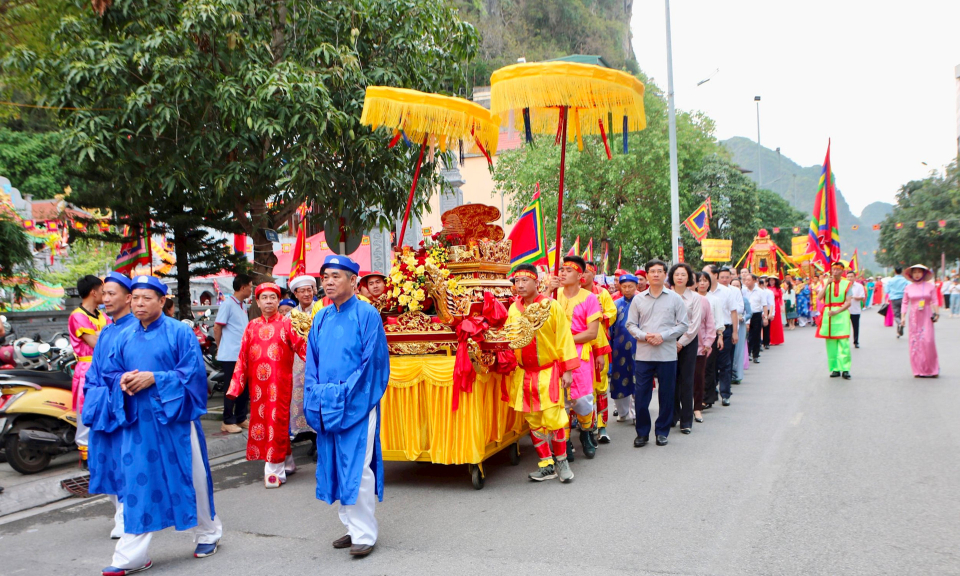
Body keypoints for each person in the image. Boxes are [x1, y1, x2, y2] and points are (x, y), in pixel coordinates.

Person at [101, 275, 222, 576]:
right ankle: (131, 556)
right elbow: (109, 371)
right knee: (138, 483)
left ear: (162, 301)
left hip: (175, 420)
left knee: (192, 477)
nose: (139, 303)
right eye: (136, 298)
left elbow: (193, 374)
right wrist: (122, 380)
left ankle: (208, 532)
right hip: (138, 422)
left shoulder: (179, 333)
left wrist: (156, 378)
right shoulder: (124, 335)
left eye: (147, 298)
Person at [304, 255, 389, 558]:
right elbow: (311, 362)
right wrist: (316, 395)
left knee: (357, 467)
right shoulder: (321, 317)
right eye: (325, 276)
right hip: (328, 405)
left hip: (357, 405)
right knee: (337, 465)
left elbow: (372, 364)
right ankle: (352, 526)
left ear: (353, 281)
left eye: (336, 276)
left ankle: (365, 533)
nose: (328, 281)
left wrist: (343, 395)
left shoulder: (367, 315)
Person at [227, 283, 307, 488]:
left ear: (279, 300)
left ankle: (274, 471)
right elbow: (242, 357)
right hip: (258, 386)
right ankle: (287, 461)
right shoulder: (251, 326)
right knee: (263, 422)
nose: (269, 301)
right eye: (264, 297)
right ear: (257, 301)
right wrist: (235, 386)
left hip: (280, 384)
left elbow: (303, 348)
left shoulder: (287, 324)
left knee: (276, 421)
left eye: (273, 297)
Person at [506, 264, 579, 483]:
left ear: (536, 282)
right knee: (534, 420)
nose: (520, 285)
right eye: (516, 281)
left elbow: (564, 337)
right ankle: (545, 464)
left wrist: (567, 370)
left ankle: (562, 461)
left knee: (555, 419)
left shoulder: (551, 305)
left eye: (524, 280)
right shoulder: (513, 309)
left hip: (548, 372)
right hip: (524, 375)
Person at [83, 272, 135, 540]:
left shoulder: (136, 329)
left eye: (111, 293)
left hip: (123, 405)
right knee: (104, 460)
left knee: (125, 459)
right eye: (104, 294)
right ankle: (118, 509)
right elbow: (94, 370)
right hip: (102, 404)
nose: (106, 299)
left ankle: (127, 513)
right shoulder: (106, 332)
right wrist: (92, 393)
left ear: (128, 297)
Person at [626, 259, 688, 447]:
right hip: (644, 354)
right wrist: (645, 336)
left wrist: (663, 335)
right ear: (646, 275)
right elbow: (630, 324)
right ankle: (642, 433)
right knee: (642, 395)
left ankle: (662, 431)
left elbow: (684, 324)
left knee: (666, 394)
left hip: (667, 354)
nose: (655, 274)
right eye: (652, 271)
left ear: (664, 275)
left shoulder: (675, 298)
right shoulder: (638, 299)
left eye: (659, 271)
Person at [552, 256, 603, 459]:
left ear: (580, 275)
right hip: (556, 356)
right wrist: (547, 291)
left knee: (582, 400)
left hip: (580, 356)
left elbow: (592, 333)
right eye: (561, 269)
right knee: (560, 401)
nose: (563, 273)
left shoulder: (589, 298)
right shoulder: (554, 297)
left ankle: (586, 431)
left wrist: (566, 339)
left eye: (568, 270)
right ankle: (564, 442)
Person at [69, 274, 108, 466]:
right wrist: (105, 335)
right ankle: (86, 454)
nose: (105, 294)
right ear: (93, 292)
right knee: (86, 410)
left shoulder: (102, 315)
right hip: (87, 368)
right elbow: (93, 342)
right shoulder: (77, 316)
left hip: (104, 366)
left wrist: (102, 334)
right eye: (102, 290)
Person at [214, 274, 252, 434]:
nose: (251, 289)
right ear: (243, 287)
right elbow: (217, 327)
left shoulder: (242, 306)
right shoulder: (228, 304)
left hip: (243, 354)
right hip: (231, 355)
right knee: (232, 388)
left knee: (244, 388)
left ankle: (241, 417)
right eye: (250, 286)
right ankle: (227, 420)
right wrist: (220, 346)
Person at [582, 262, 616, 444]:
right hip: (580, 346)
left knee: (601, 387)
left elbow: (612, 312)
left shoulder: (601, 293)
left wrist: (600, 315)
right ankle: (586, 425)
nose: (582, 275)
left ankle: (602, 426)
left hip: (599, 345)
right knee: (582, 389)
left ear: (593, 274)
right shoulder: (572, 294)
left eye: (586, 272)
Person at [287, 275, 323, 442]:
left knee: (318, 398)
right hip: (298, 364)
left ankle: (319, 440)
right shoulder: (290, 316)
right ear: (296, 294)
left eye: (310, 290)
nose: (307, 294)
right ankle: (307, 436)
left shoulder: (322, 310)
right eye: (303, 291)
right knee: (301, 399)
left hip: (319, 360)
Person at [668, 263, 700, 434]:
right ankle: (673, 415)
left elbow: (694, 325)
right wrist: (671, 340)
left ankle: (686, 420)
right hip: (667, 341)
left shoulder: (695, 298)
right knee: (671, 379)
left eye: (683, 274)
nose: (680, 277)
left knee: (687, 381)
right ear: (672, 277)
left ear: (688, 278)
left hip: (688, 342)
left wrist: (681, 342)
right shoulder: (667, 296)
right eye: (677, 274)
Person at [610, 274, 639, 423]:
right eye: (624, 286)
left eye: (630, 286)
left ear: (636, 287)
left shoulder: (641, 303)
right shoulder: (615, 304)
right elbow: (610, 328)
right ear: (620, 287)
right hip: (618, 348)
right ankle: (622, 412)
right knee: (619, 378)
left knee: (637, 378)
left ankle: (636, 414)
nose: (627, 289)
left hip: (638, 347)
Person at [901, 264, 940, 377]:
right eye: (915, 272)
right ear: (911, 274)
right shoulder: (908, 288)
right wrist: (903, 317)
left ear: (924, 273)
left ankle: (933, 369)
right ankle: (918, 370)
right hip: (914, 316)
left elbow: (935, 300)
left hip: (927, 315)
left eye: (919, 272)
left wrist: (937, 313)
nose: (917, 274)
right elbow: (904, 303)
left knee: (928, 341)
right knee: (916, 343)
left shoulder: (930, 286)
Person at [817, 261, 853, 379]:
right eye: (834, 269)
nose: (835, 272)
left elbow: (848, 303)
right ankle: (835, 369)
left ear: (842, 271)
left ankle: (845, 369)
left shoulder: (847, 284)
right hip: (829, 316)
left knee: (844, 343)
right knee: (831, 344)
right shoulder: (824, 282)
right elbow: (819, 297)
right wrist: (827, 284)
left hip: (841, 315)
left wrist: (837, 311)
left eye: (838, 270)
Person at [701, 265, 726, 409]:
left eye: (705, 280)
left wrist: (720, 336)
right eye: (700, 280)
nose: (703, 283)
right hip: (696, 337)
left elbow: (719, 319)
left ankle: (707, 397)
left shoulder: (714, 299)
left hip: (711, 337)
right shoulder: (693, 297)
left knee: (709, 368)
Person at [693, 272, 716, 424]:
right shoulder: (676, 298)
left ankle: (697, 408)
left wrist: (708, 343)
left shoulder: (704, 301)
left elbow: (710, 324)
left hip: (699, 345)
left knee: (698, 378)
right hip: (677, 346)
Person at [742, 274, 767, 364]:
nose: (746, 282)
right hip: (745, 315)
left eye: (749, 280)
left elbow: (764, 305)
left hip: (756, 314)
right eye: (745, 280)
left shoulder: (760, 291)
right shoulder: (743, 291)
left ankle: (755, 355)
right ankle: (747, 353)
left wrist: (765, 317)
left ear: (754, 281)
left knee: (756, 335)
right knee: (747, 335)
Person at [886, 267, 909, 338]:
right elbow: (910, 287)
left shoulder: (890, 280)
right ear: (901, 272)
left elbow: (887, 290)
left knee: (896, 315)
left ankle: (899, 324)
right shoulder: (905, 280)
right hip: (903, 299)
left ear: (895, 271)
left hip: (894, 299)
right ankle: (898, 332)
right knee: (902, 315)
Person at [846, 270, 865, 348]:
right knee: (845, 327)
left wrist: (853, 297)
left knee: (856, 327)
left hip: (855, 310)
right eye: (848, 277)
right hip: (845, 310)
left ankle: (856, 341)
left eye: (851, 277)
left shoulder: (859, 286)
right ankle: (845, 342)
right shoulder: (844, 286)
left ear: (854, 277)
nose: (850, 278)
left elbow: (862, 297)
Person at [767, 277, 785, 346]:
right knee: (769, 323)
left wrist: (781, 306)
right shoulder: (767, 288)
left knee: (776, 322)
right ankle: (769, 339)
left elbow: (780, 298)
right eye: (770, 280)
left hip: (776, 305)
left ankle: (776, 340)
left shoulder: (778, 289)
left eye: (773, 280)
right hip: (768, 305)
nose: (771, 281)